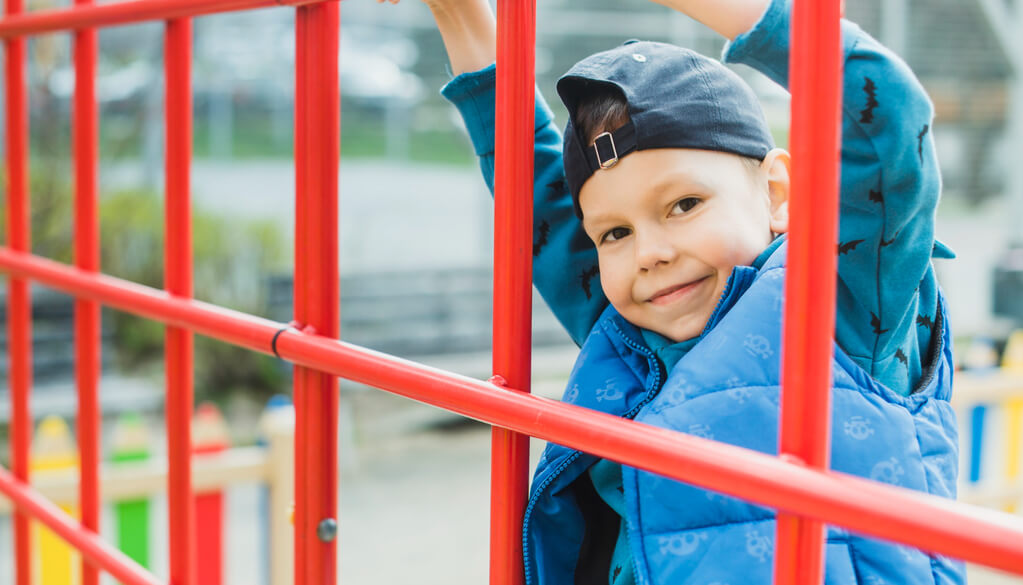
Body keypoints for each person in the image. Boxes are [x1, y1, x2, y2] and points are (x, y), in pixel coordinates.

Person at [392, 0, 962, 582]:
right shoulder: (626, 333)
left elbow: (885, 125)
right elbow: (531, 187)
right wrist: (457, 11)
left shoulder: (846, 301)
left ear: (778, 193)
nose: (649, 253)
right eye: (614, 233)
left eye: (684, 204)